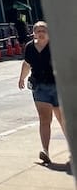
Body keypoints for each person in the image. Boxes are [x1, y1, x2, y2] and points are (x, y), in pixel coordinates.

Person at [19, 21, 66, 165]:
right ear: (33, 33)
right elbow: (27, 64)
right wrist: (22, 78)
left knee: (63, 119)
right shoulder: (30, 47)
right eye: (37, 30)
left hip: (57, 86)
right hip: (39, 87)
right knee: (44, 119)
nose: (40, 33)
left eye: (43, 30)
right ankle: (45, 150)